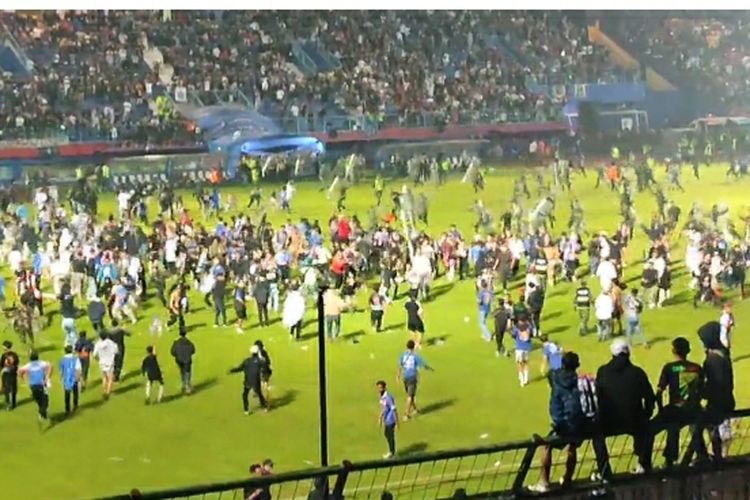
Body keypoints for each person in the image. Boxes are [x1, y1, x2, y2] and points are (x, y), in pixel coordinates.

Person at [596, 339, 655, 474]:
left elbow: (598, 397)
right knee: (647, 429)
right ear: (628, 353)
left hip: (609, 421)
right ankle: (643, 463)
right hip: (634, 419)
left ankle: (604, 470)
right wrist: (646, 415)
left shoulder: (603, 372)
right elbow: (650, 397)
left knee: (596, 436)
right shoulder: (637, 372)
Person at [528, 352, 585, 493]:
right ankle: (567, 480)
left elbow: (550, 374)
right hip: (577, 420)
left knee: (546, 446)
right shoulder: (578, 380)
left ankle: (544, 483)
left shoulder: (555, 376)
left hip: (562, 421)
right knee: (572, 446)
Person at [652, 337, 704, 468]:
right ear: (688, 351)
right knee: (696, 431)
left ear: (674, 351)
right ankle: (701, 456)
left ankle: (669, 461)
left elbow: (659, 392)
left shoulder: (669, 368)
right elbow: (702, 390)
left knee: (667, 429)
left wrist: (661, 409)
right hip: (693, 409)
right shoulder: (696, 368)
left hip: (675, 409)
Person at [696, 321, 735, 464]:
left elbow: (715, 384)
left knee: (698, 425)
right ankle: (717, 456)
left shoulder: (712, 360)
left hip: (718, 403)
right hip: (727, 400)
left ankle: (710, 457)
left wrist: (701, 392)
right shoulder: (723, 354)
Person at [398, 340, 433, 420]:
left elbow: (400, 366)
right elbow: (423, 365)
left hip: (405, 377)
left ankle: (415, 409)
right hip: (412, 377)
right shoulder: (415, 356)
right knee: (410, 396)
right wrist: (429, 368)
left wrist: (398, 375)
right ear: (414, 347)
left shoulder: (403, 355)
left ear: (406, 346)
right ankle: (406, 414)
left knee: (411, 395)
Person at [229, 344, 269, 415]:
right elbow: (265, 368)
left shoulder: (247, 361)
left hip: (248, 381)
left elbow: (240, 368)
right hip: (256, 381)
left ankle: (246, 410)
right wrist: (265, 376)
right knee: (259, 394)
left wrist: (232, 371)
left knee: (245, 395)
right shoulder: (260, 361)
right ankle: (265, 407)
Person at [18, 350, 52, 427]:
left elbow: (20, 371)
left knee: (39, 401)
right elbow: (50, 365)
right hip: (41, 385)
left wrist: (24, 379)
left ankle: (43, 414)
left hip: (33, 386)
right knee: (45, 400)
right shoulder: (41, 363)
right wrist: (47, 376)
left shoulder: (29, 365)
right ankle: (41, 414)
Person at [93, 331, 118, 399]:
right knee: (110, 378)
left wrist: (98, 360)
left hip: (102, 362)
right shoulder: (110, 342)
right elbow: (116, 351)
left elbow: (94, 355)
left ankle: (104, 390)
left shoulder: (98, 343)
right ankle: (107, 392)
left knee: (104, 377)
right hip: (109, 362)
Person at [376, 380, 398, 459]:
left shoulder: (388, 397)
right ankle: (391, 452)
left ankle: (392, 453)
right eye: (378, 388)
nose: (379, 389)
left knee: (390, 435)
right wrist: (380, 417)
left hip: (390, 420)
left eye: (381, 388)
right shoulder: (382, 397)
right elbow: (384, 408)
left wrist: (397, 422)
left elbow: (394, 409)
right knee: (387, 434)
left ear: (385, 388)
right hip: (387, 420)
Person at [170, 329, 196, 395]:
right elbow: (193, 350)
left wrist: (177, 355)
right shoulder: (188, 342)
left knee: (182, 372)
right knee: (187, 373)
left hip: (179, 360)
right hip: (187, 360)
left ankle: (183, 386)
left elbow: (172, 352)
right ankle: (187, 388)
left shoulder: (176, 342)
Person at [59, 345, 81, 415]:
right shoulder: (76, 359)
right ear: (71, 350)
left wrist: (61, 378)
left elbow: (61, 371)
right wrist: (78, 378)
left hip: (66, 379)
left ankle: (67, 409)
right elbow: (78, 369)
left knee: (67, 394)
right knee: (75, 393)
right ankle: (75, 405)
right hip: (74, 378)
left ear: (65, 351)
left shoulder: (62, 360)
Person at [512, 318, 534, 387]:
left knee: (519, 364)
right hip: (527, 347)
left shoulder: (516, 327)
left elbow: (513, 335)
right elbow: (532, 335)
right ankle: (526, 379)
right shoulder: (529, 327)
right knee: (526, 363)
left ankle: (521, 380)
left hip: (519, 348)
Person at [1, 340, 20, 410]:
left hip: (6, 373)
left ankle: (8, 403)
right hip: (13, 373)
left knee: (6, 389)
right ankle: (14, 403)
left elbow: (1, 365)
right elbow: (17, 363)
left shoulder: (4, 355)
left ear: (5, 347)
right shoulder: (15, 355)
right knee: (14, 388)